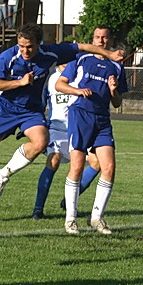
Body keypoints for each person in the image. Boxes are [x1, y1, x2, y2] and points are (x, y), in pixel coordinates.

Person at [0, 24, 124, 222]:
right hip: (5, 110)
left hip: (32, 112)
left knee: (41, 142)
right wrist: (19, 82)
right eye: (21, 46)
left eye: (30, 47)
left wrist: (109, 55)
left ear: (39, 44)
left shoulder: (50, 53)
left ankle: (4, 173)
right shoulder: (8, 57)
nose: (25, 51)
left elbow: (82, 47)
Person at [57, 27, 128, 235]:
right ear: (93, 39)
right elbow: (61, 84)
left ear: (110, 40)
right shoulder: (80, 58)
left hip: (102, 119)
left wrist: (114, 91)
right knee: (77, 167)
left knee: (109, 167)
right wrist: (78, 91)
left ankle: (96, 218)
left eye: (105, 37)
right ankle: (70, 219)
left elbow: (117, 103)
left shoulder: (116, 66)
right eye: (97, 37)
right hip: (80, 115)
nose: (101, 40)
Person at [31, 63, 100, 220]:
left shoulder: (80, 77)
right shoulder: (50, 79)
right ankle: (38, 209)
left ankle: (69, 200)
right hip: (57, 129)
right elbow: (40, 104)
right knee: (53, 161)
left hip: (79, 129)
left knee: (97, 162)